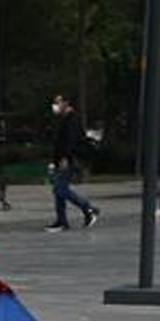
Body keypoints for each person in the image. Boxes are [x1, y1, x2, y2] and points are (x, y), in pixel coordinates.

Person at [45, 93, 100, 232]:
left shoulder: (72, 119)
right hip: (62, 160)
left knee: (60, 189)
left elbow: (70, 141)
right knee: (59, 191)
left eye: (58, 102)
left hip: (68, 160)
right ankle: (61, 221)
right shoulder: (64, 118)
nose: (56, 106)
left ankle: (88, 208)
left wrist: (65, 158)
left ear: (66, 103)